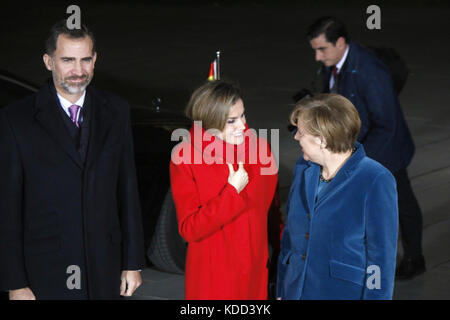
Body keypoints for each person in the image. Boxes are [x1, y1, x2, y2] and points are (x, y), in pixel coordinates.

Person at [0, 20, 145, 299]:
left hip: (105, 268)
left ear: (95, 60)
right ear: (48, 61)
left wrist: (132, 262)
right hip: (45, 273)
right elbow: (7, 209)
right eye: (67, 60)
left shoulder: (116, 110)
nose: (78, 71)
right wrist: (15, 283)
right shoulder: (14, 120)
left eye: (85, 60)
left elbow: (127, 189)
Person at [306, 16, 425, 280]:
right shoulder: (334, 63)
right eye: (314, 49)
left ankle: (414, 257)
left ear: (340, 42)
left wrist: (357, 163)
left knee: (400, 203)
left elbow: (387, 124)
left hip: (387, 151)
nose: (317, 56)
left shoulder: (370, 71)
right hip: (356, 148)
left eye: (321, 49)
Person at [277, 93, 398, 300]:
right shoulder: (303, 166)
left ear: (322, 140)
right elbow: (291, 234)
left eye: (301, 132)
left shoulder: (376, 179)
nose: (296, 137)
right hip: (295, 292)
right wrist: (282, 288)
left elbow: (380, 259)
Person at [170, 80, 278, 299]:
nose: (242, 125)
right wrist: (231, 192)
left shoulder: (260, 149)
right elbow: (189, 229)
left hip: (254, 270)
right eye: (231, 121)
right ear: (210, 122)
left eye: (243, 116)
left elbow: (268, 210)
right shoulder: (185, 158)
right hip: (214, 276)